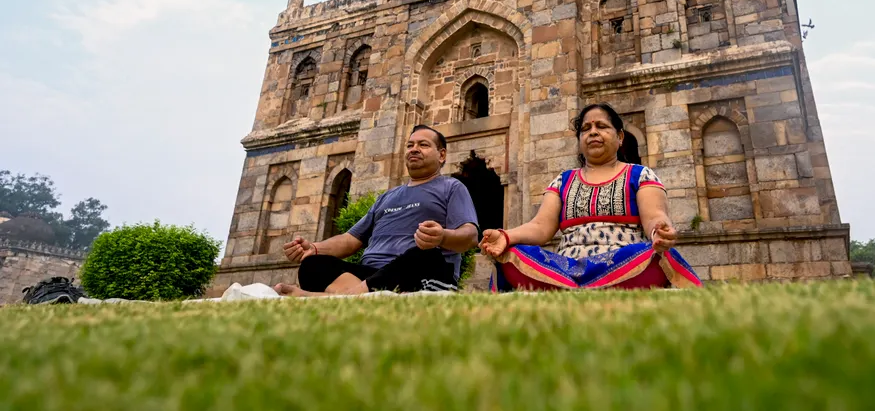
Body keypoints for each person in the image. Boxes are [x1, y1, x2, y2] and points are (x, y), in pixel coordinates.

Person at [479, 103, 702, 291]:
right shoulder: (563, 181)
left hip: (623, 262)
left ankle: (569, 287)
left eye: (602, 126)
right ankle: (577, 284)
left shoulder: (639, 174)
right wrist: (506, 236)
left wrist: (659, 230)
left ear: (620, 136)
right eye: (586, 129)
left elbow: (654, 216)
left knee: (656, 254)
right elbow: (540, 227)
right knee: (512, 253)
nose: (593, 132)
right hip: (567, 267)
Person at [273, 125, 480, 296]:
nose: (414, 149)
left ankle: (338, 297)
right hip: (370, 276)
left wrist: (442, 237)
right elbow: (350, 240)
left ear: (442, 155)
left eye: (423, 145)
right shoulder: (387, 197)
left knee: (423, 255)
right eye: (410, 145)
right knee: (313, 264)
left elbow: (470, 236)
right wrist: (314, 248)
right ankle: (355, 296)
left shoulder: (451, 188)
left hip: (419, 270)